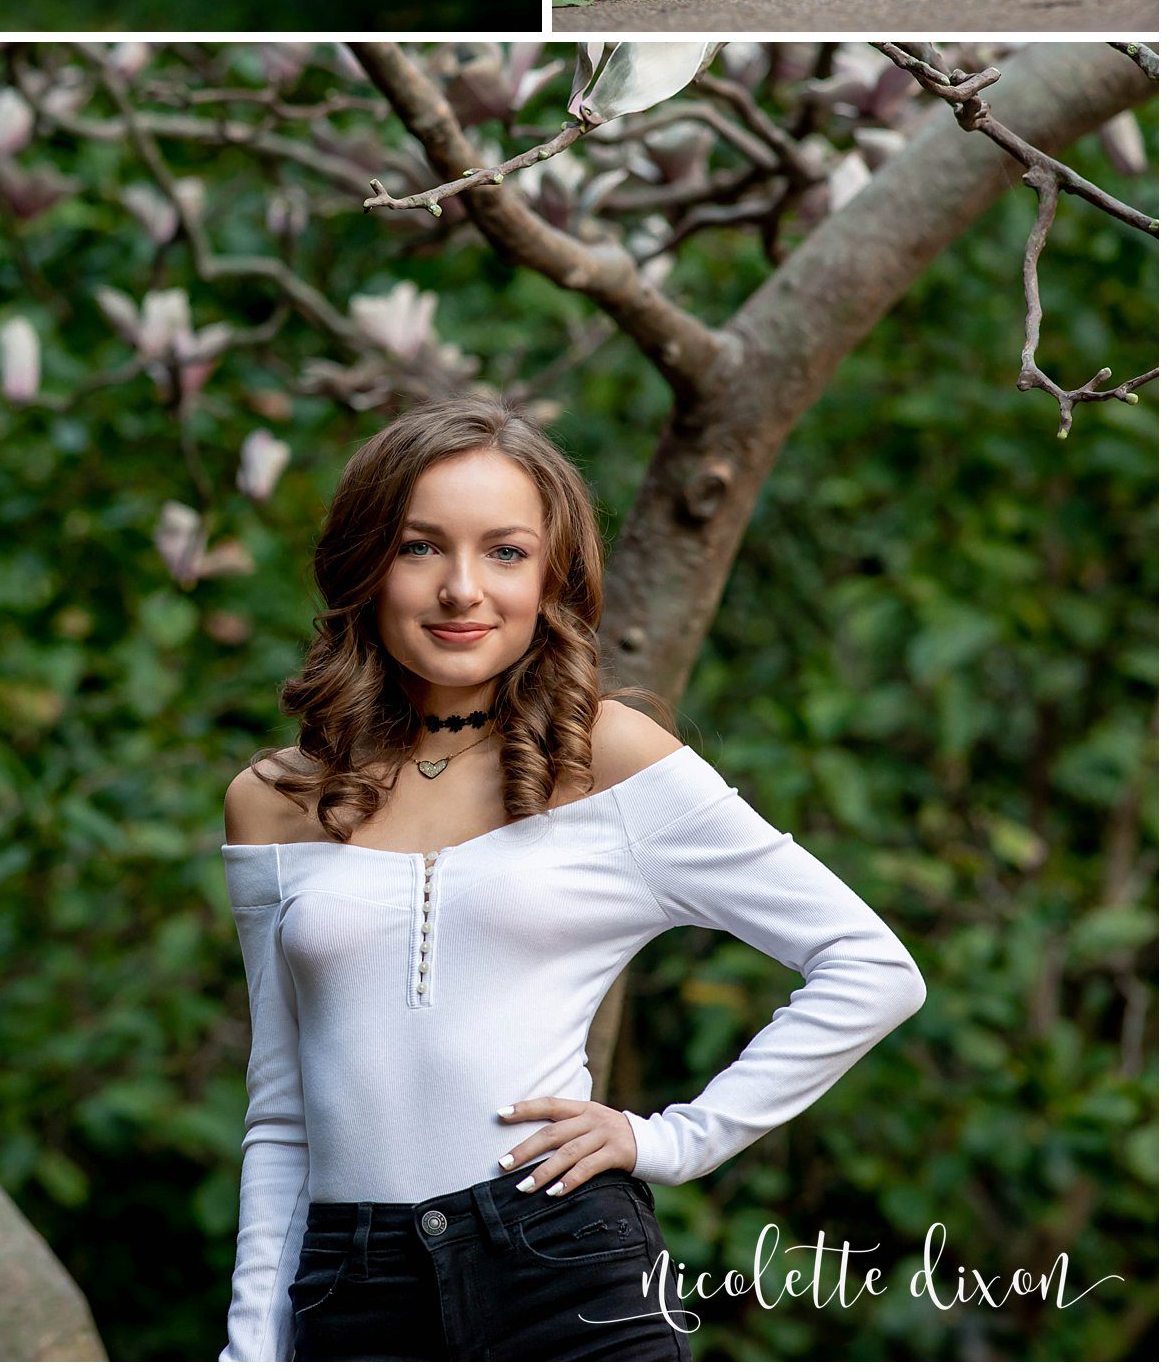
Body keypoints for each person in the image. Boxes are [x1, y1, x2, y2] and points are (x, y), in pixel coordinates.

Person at [219, 403, 927, 1364]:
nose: (462, 588)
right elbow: (281, 1116)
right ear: (365, 564)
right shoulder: (273, 802)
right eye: (420, 547)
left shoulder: (612, 760)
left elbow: (871, 967)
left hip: (560, 1261)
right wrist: (249, 1350)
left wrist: (674, 1140)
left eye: (505, 552)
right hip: (353, 1290)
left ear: (551, 576)